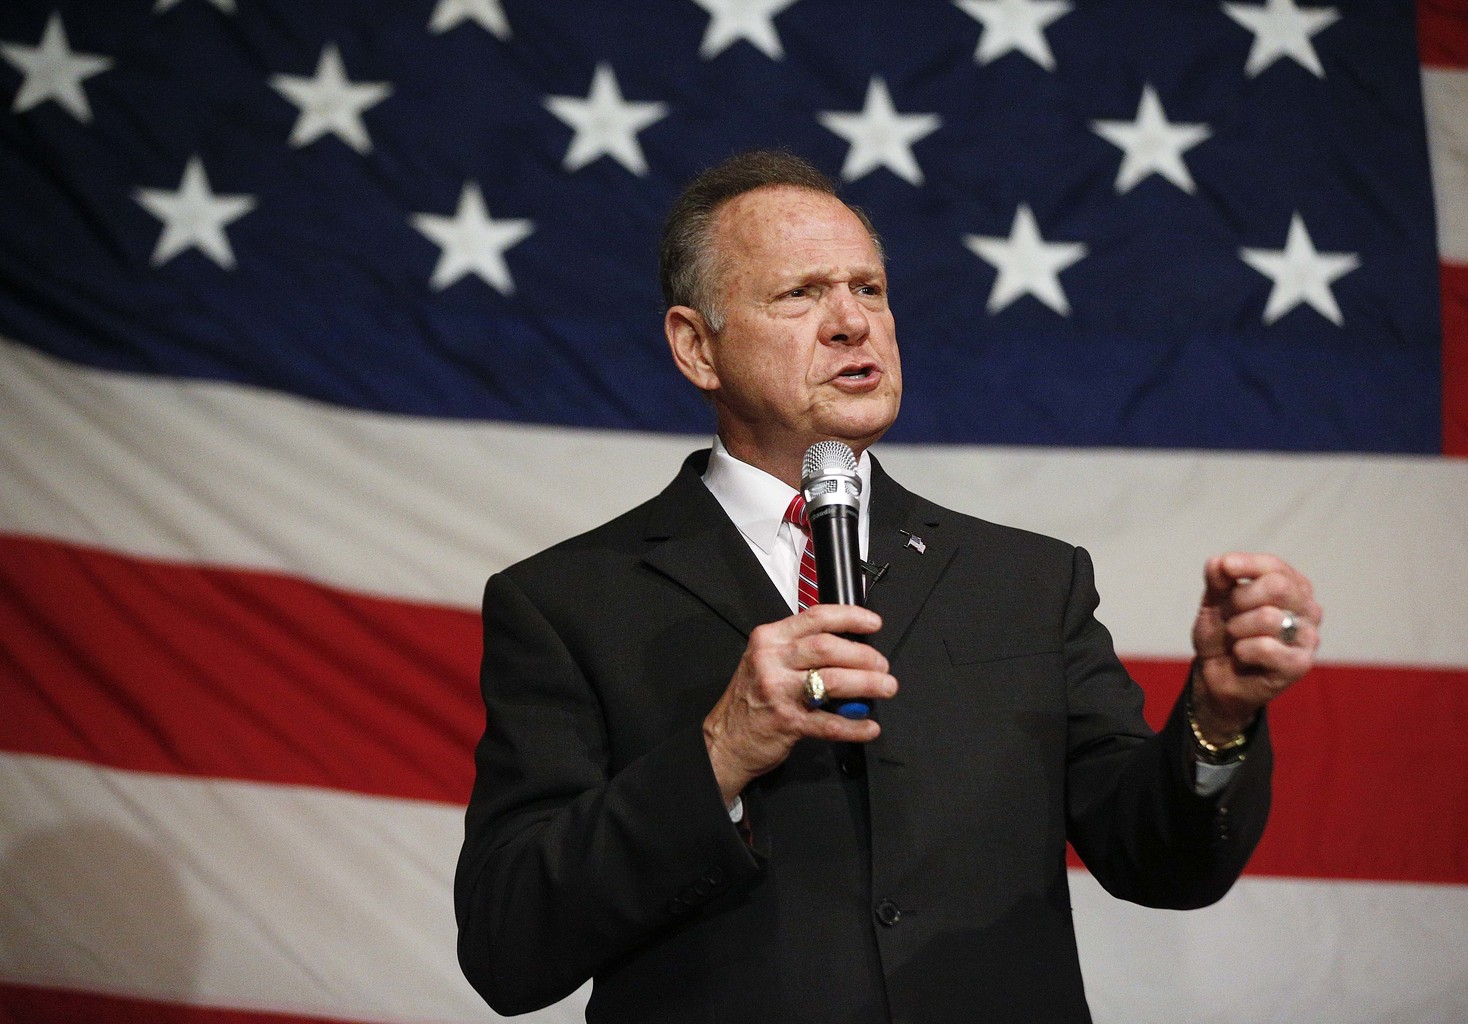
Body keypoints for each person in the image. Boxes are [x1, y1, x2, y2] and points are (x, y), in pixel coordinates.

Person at [455, 150, 1323, 1023]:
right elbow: (508, 947)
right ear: (695, 347)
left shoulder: (1029, 580)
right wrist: (720, 753)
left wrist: (1218, 717)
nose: (850, 324)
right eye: (800, 294)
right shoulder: (570, 600)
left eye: (867, 289)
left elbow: (1165, 864)